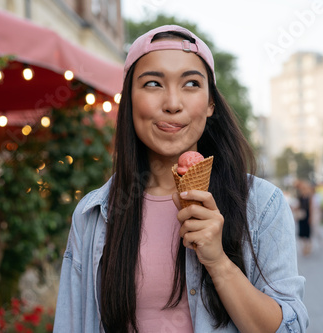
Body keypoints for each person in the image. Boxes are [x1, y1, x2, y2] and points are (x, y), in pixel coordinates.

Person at [53, 25, 308, 332]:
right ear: (130, 101)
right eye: (152, 84)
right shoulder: (92, 215)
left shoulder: (262, 204)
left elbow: (290, 328)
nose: (173, 103)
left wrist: (218, 263)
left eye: (190, 83)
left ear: (211, 103)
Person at [295, 180, 312, 256]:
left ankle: (308, 247)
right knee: (301, 233)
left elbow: (311, 208)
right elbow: (298, 206)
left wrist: (311, 217)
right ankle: (305, 247)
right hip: (301, 216)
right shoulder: (300, 196)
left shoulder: (309, 197)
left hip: (307, 215)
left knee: (307, 233)